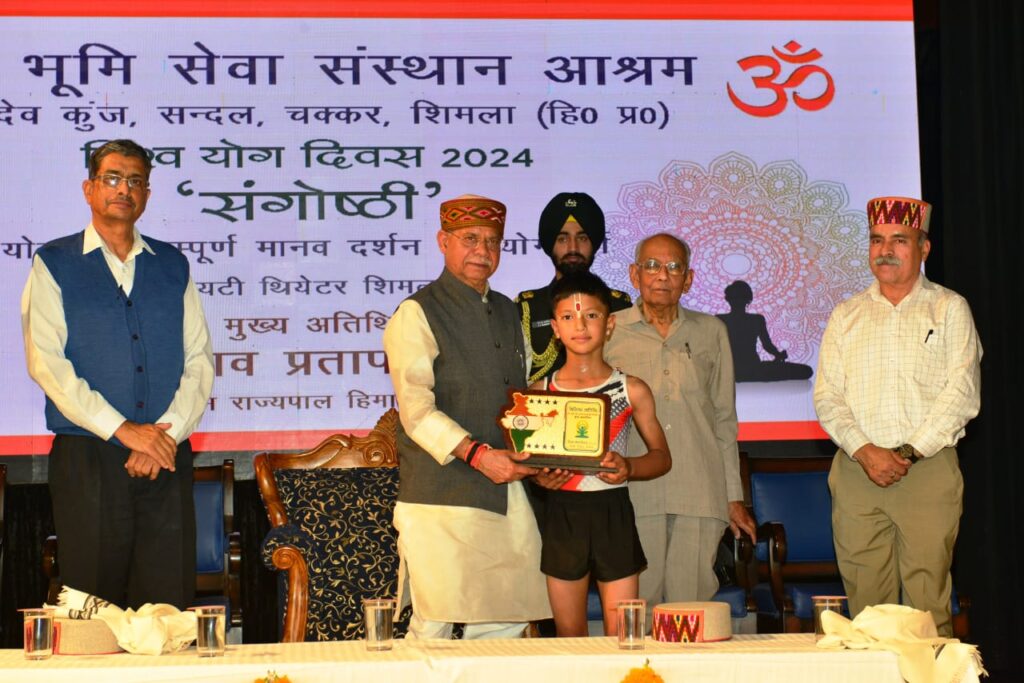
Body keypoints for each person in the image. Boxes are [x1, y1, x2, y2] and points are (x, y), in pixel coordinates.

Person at [21, 139, 214, 609]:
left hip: (165, 458)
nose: (123, 189)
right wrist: (125, 431)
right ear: (89, 189)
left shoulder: (172, 265)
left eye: (134, 181)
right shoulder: (54, 262)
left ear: (147, 194)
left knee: (166, 610)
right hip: (89, 458)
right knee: (93, 608)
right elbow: (47, 363)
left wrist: (162, 437)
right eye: (111, 178)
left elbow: (199, 359)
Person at [382, 194, 550, 639]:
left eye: (492, 241)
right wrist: (478, 455)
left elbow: (524, 400)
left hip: (504, 492)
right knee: (434, 624)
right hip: (440, 497)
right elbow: (416, 410)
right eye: (470, 239)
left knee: (506, 622)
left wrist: (546, 454)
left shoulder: (509, 311)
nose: (483, 251)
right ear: (443, 242)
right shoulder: (417, 312)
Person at [813, 196, 981, 636]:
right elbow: (827, 396)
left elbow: (962, 394)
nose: (885, 250)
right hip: (857, 471)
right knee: (867, 612)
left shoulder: (949, 308)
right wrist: (866, 451)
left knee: (927, 609)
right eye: (876, 240)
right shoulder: (846, 314)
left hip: (927, 469)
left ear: (924, 248)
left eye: (899, 240)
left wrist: (906, 453)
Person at [604, 233, 757, 619]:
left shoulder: (711, 331)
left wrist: (733, 497)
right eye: (652, 266)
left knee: (690, 616)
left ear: (688, 279)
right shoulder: (609, 329)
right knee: (635, 613)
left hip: (699, 490)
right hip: (633, 492)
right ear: (634, 274)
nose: (662, 275)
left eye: (674, 267)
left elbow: (724, 418)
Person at [530, 271, 670, 637]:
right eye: (568, 316)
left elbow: (661, 457)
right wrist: (540, 478)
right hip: (562, 517)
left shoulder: (631, 389)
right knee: (569, 637)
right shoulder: (540, 392)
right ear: (555, 328)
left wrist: (628, 467)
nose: (580, 325)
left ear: (609, 324)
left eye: (591, 315)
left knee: (625, 635)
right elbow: (531, 463)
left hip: (613, 514)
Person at [516, 192, 631, 383]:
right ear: (550, 244)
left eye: (582, 238)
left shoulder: (619, 306)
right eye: (562, 239)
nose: (573, 248)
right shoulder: (527, 308)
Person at [716, 279, 812, 382]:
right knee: (805, 371)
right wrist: (778, 355)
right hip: (753, 370)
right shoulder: (756, 319)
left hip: (734, 371)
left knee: (806, 370)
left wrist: (778, 355)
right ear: (748, 299)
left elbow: (767, 345)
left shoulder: (720, 319)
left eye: (739, 298)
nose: (738, 301)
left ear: (728, 299)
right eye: (736, 298)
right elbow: (767, 345)